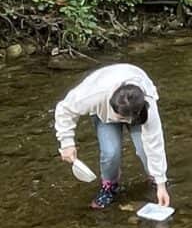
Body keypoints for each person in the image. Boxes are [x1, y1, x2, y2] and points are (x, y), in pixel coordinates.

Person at [54, 63, 170, 210]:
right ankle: (110, 186)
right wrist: (67, 143)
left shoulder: (148, 105)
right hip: (104, 112)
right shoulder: (93, 95)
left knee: (144, 149)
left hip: (137, 106)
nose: (124, 122)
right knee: (110, 152)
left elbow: (155, 144)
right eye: (121, 117)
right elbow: (64, 109)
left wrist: (161, 183)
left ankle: (154, 179)